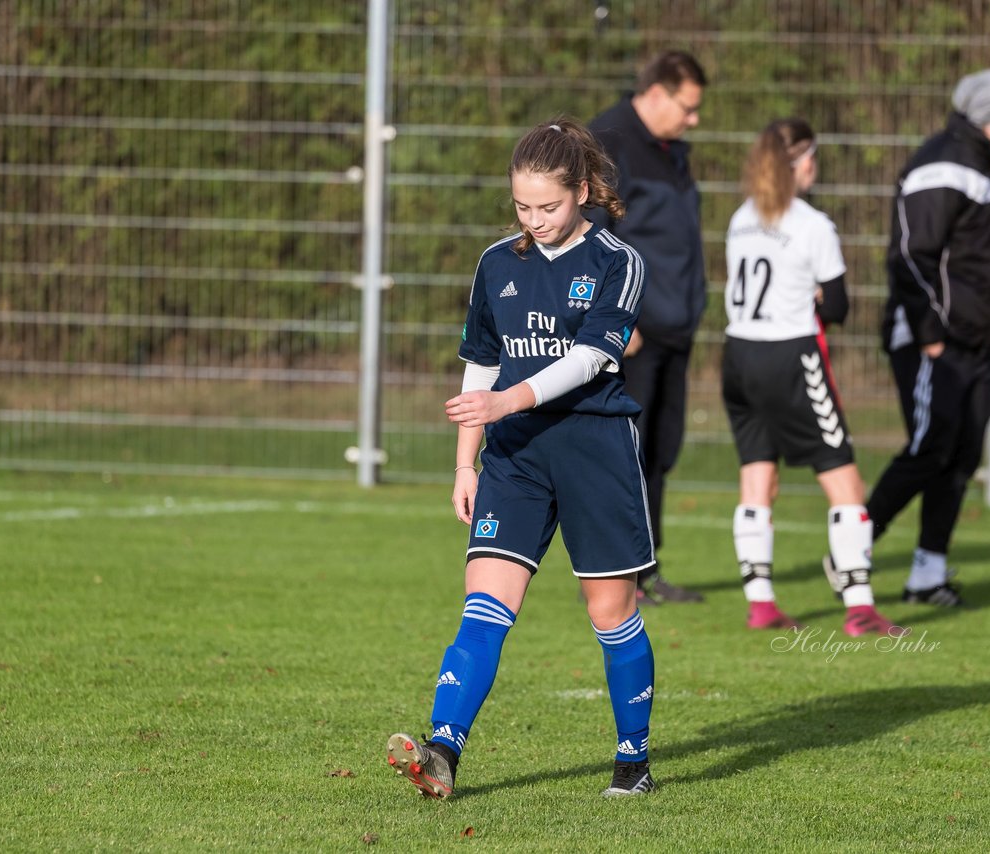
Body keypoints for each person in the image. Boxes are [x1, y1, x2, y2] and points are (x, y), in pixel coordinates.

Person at [385, 118, 658, 800]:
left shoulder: (618, 263)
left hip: (594, 451)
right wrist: (464, 465)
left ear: (584, 192)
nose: (535, 221)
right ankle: (442, 752)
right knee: (483, 606)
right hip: (515, 460)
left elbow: (597, 356)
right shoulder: (497, 264)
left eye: (550, 206)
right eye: (522, 207)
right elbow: (480, 363)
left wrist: (510, 401)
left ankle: (633, 761)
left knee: (610, 615)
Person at [722, 118, 906, 637]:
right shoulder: (812, 224)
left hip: (737, 355)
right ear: (801, 164)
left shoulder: (742, 217)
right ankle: (860, 607)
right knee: (842, 475)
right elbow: (840, 305)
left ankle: (761, 603)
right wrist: (818, 300)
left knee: (758, 474)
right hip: (790, 357)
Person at [863, 69, 990, 607]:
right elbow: (912, 256)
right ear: (988, 118)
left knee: (962, 450)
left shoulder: (985, 164)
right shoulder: (943, 164)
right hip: (930, 338)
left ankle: (927, 575)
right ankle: (853, 546)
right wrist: (932, 333)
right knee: (929, 445)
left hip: (971, 342)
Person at [586, 50, 708, 605]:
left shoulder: (672, 153)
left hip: (675, 330)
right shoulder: (607, 144)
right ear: (657, 93)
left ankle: (646, 572)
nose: (694, 119)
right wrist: (615, 318)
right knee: (623, 454)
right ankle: (617, 575)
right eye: (688, 107)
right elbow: (590, 237)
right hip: (634, 333)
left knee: (659, 452)